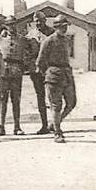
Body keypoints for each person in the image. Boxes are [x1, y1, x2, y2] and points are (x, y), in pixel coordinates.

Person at [37, 14, 76, 144]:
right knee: (56, 106)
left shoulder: (66, 40)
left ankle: (55, 123)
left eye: (65, 27)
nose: (64, 29)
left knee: (71, 103)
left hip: (66, 74)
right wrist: (48, 74)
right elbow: (40, 61)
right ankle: (57, 133)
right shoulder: (48, 41)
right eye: (61, 27)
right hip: (53, 76)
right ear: (56, 27)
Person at [0, 16, 26, 136]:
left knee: (16, 101)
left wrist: (26, 64)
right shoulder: (0, 38)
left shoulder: (21, 39)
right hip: (3, 72)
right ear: (5, 26)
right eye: (9, 24)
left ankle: (17, 127)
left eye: (14, 24)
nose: (12, 27)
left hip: (16, 72)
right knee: (2, 100)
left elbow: (33, 48)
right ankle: (1, 127)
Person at [22, 23, 50, 134]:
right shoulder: (30, 34)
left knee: (53, 97)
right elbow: (25, 50)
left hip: (49, 69)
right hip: (36, 71)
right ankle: (44, 125)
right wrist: (29, 62)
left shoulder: (51, 32)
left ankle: (55, 124)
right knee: (40, 97)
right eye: (36, 20)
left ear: (44, 20)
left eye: (40, 20)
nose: (38, 23)